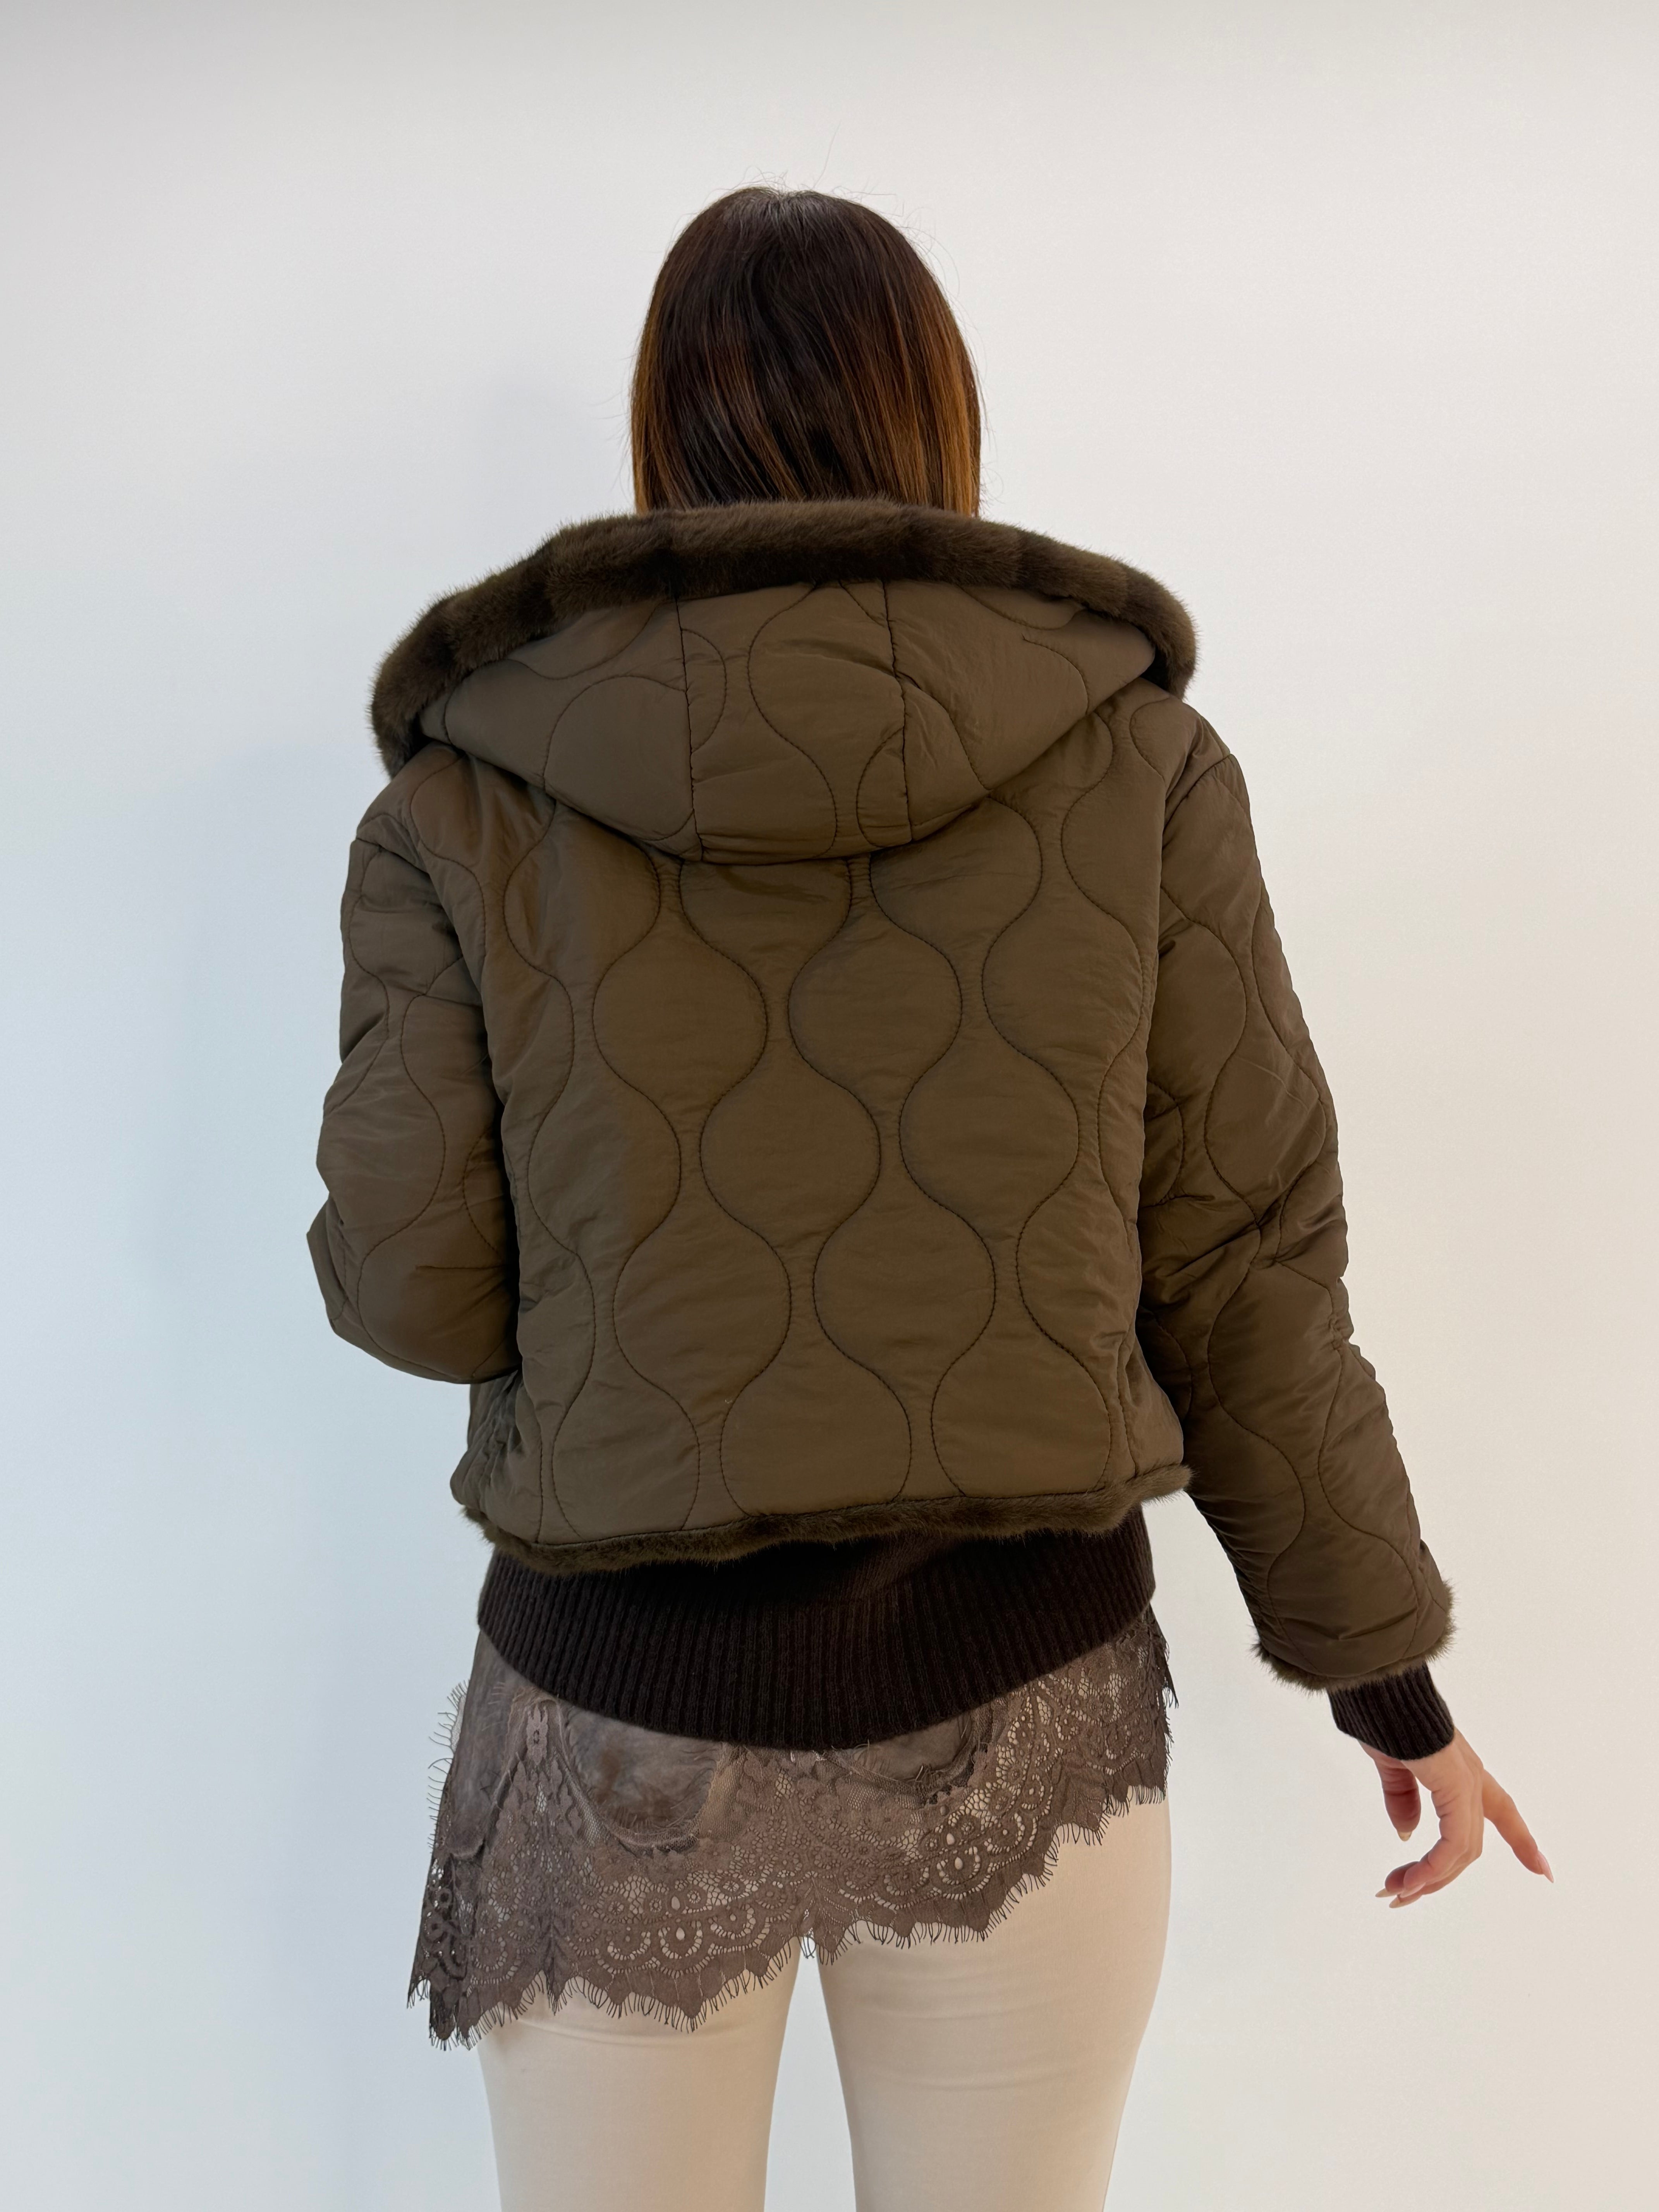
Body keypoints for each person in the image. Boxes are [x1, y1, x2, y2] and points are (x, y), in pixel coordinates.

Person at [309, 186, 1547, 2211]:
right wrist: (1383, 1673)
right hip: (1026, 1711)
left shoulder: (461, 799)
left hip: (617, 1715)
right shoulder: (1140, 765)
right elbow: (1243, 1272)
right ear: (936, 414)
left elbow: (416, 1293)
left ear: (663, 430)